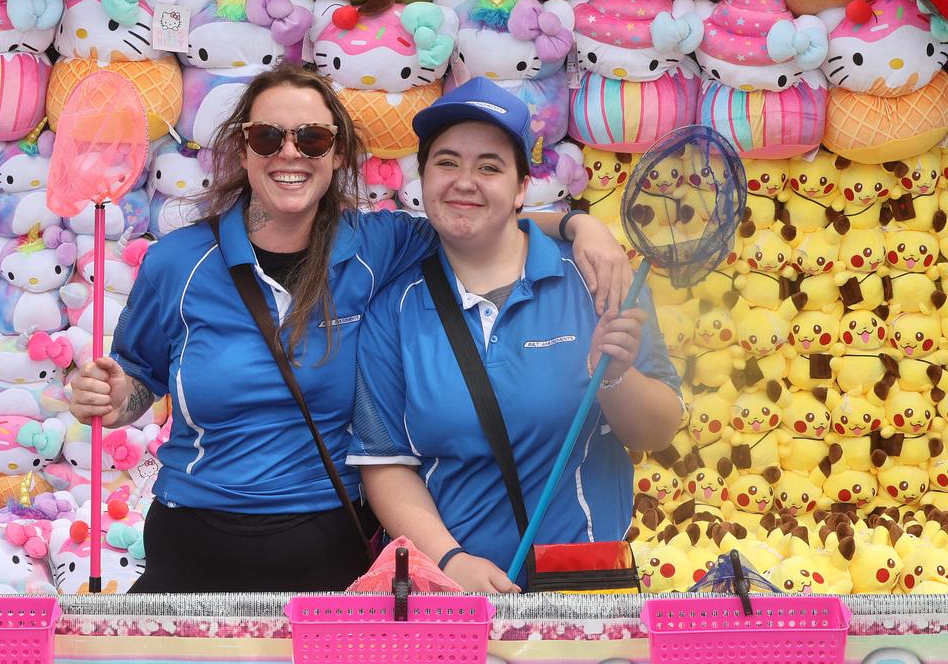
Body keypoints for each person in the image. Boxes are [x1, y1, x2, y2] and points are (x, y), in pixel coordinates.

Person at [69, 64, 631, 593]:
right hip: (194, 531)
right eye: (268, 137)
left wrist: (580, 224)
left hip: (328, 537)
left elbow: (471, 214)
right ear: (243, 150)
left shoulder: (377, 245)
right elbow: (140, 379)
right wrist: (117, 397)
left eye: (311, 139)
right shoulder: (178, 262)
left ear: (336, 154)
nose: (290, 153)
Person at [346, 77, 685, 594]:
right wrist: (449, 559)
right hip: (452, 589)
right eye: (446, 162)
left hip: (584, 581)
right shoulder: (395, 308)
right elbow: (386, 463)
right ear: (421, 177)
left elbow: (658, 432)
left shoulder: (598, 279)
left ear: (523, 186)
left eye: (490, 166)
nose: (465, 181)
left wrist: (616, 378)